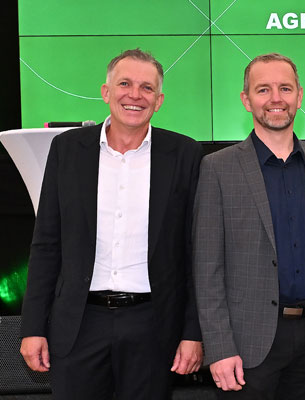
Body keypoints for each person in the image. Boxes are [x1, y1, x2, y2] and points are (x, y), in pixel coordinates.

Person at [19, 48, 203, 400]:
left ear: (159, 100)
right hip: (78, 323)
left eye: (146, 88)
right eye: (125, 84)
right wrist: (32, 328)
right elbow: (46, 245)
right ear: (106, 92)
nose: (135, 95)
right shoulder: (67, 150)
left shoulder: (185, 155)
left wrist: (193, 333)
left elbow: (196, 252)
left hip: (153, 324)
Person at [194, 53, 305, 399]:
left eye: (285, 88)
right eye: (263, 90)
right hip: (247, 344)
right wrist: (219, 347)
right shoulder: (217, 169)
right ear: (246, 100)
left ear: (299, 96)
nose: (276, 99)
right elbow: (207, 269)